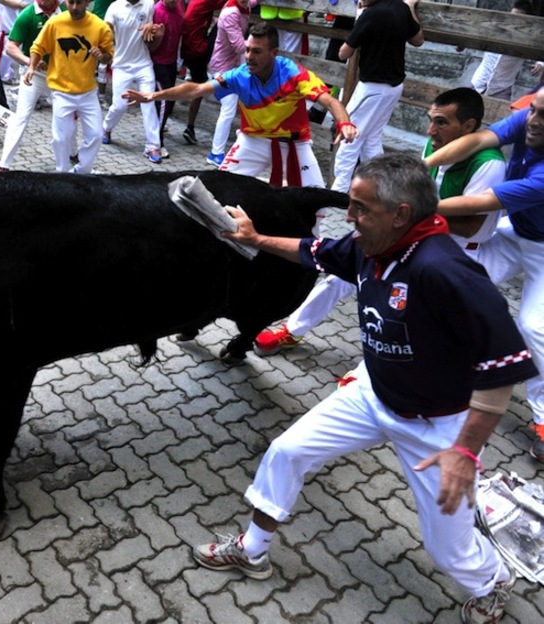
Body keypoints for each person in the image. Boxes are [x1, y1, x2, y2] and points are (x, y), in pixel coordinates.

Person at [200, 153, 535, 624]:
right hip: (373, 393)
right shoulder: (370, 245)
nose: (349, 217)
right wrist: (254, 238)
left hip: (437, 426)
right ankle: (252, 549)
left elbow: (501, 371)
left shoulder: (447, 272)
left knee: (447, 549)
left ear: (400, 214)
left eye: (360, 208)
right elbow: (310, 251)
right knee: (287, 451)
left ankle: (492, 580)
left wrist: (466, 452)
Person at [256, 87, 507, 355]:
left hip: (455, 249)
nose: (430, 130)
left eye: (441, 122)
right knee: (342, 273)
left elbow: (473, 227)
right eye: (431, 120)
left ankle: (370, 373)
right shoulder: (436, 145)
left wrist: (409, 217)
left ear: (468, 126)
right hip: (418, 233)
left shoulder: (489, 163)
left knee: (401, 307)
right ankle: (292, 330)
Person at [424, 87, 544, 460]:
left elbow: (483, 202)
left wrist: (414, 203)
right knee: (455, 287)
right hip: (515, 232)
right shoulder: (528, 121)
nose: (533, 121)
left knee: (534, 326)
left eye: (543, 117)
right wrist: (421, 169)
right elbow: (478, 139)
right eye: (534, 110)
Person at [124, 22, 357, 189]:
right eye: (247, 50)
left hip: (294, 144)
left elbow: (330, 100)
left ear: (273, 53)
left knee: (317, 205)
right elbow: (196, 89)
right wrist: (154, 96)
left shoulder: (293, 74)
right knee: (215, 192)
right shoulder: (239, 75)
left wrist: (344, 122)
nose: (248, 57)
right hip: (252, 141)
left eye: (256, 51)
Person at [330, 0, 423, 193]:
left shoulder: (370, 15)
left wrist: (360, 24)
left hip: (372, 88)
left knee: (349, 138)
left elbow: (343, 53)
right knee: (371, 139)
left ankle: (338, 192)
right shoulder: (401, 8)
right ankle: (379, 189)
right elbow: (418, 40)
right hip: (393, 88)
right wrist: (411, 9)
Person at [25, 0, 114, 174]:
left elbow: (108, 56)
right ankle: (62, 173)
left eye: (79, 3)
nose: (74, 7)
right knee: (60, 138)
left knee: (96, 136)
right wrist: (31, 67)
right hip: (61, 92)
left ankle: (81, 172)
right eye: (71, 2)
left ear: (87, 2)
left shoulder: (99, 26)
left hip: (88, 92)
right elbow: (38, 46)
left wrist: (101, 55)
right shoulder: (55, 22)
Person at [0, 0, 63, 171]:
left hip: (59, 76)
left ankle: (71, 154)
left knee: (64, 116)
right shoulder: (28, 14)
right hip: (33, 76)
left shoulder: (63, 12)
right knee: (21, 116)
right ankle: (4, 165)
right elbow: (10, 47)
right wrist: (30, 63)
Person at [100, 0, 164, 163]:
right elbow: (104, 30)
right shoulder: (115, 7)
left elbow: (158, 26)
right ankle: (106, 129)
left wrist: (155, 29)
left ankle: (152, 146)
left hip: (143, 64)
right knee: (119, 105)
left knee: (149, 103)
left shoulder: (149, 5)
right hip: (121, 65)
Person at [205, 0, 252, 167]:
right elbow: (240, 46)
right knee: (228, 108)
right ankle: (215, 153)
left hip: (235, 67)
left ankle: (244, 141)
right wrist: (260, 44)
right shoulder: (231, 13)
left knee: (246, 101)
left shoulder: (245, 4)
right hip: (221, 69)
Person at [177, 0, 222, 145]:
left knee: (196, 84)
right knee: (226, 20)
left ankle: (189, 127)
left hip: (189, 49)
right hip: (197, 50)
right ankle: (189, 127)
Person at [469, 0, 531, 101]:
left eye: (519, 19)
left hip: (501, 89)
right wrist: (463, 44)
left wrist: (541, 63)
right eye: (512, 17)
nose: (514, 21)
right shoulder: (494, 30)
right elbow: (474, 35)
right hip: (478, 82)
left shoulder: (529, 39)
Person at [149, 0, 181, 151]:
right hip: (157, 62)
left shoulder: (178, 9)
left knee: (170, 99)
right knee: (164, 100)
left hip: (172, 61)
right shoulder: (156, 12)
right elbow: (149, 43)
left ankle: (157, 127)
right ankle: (157, 142)